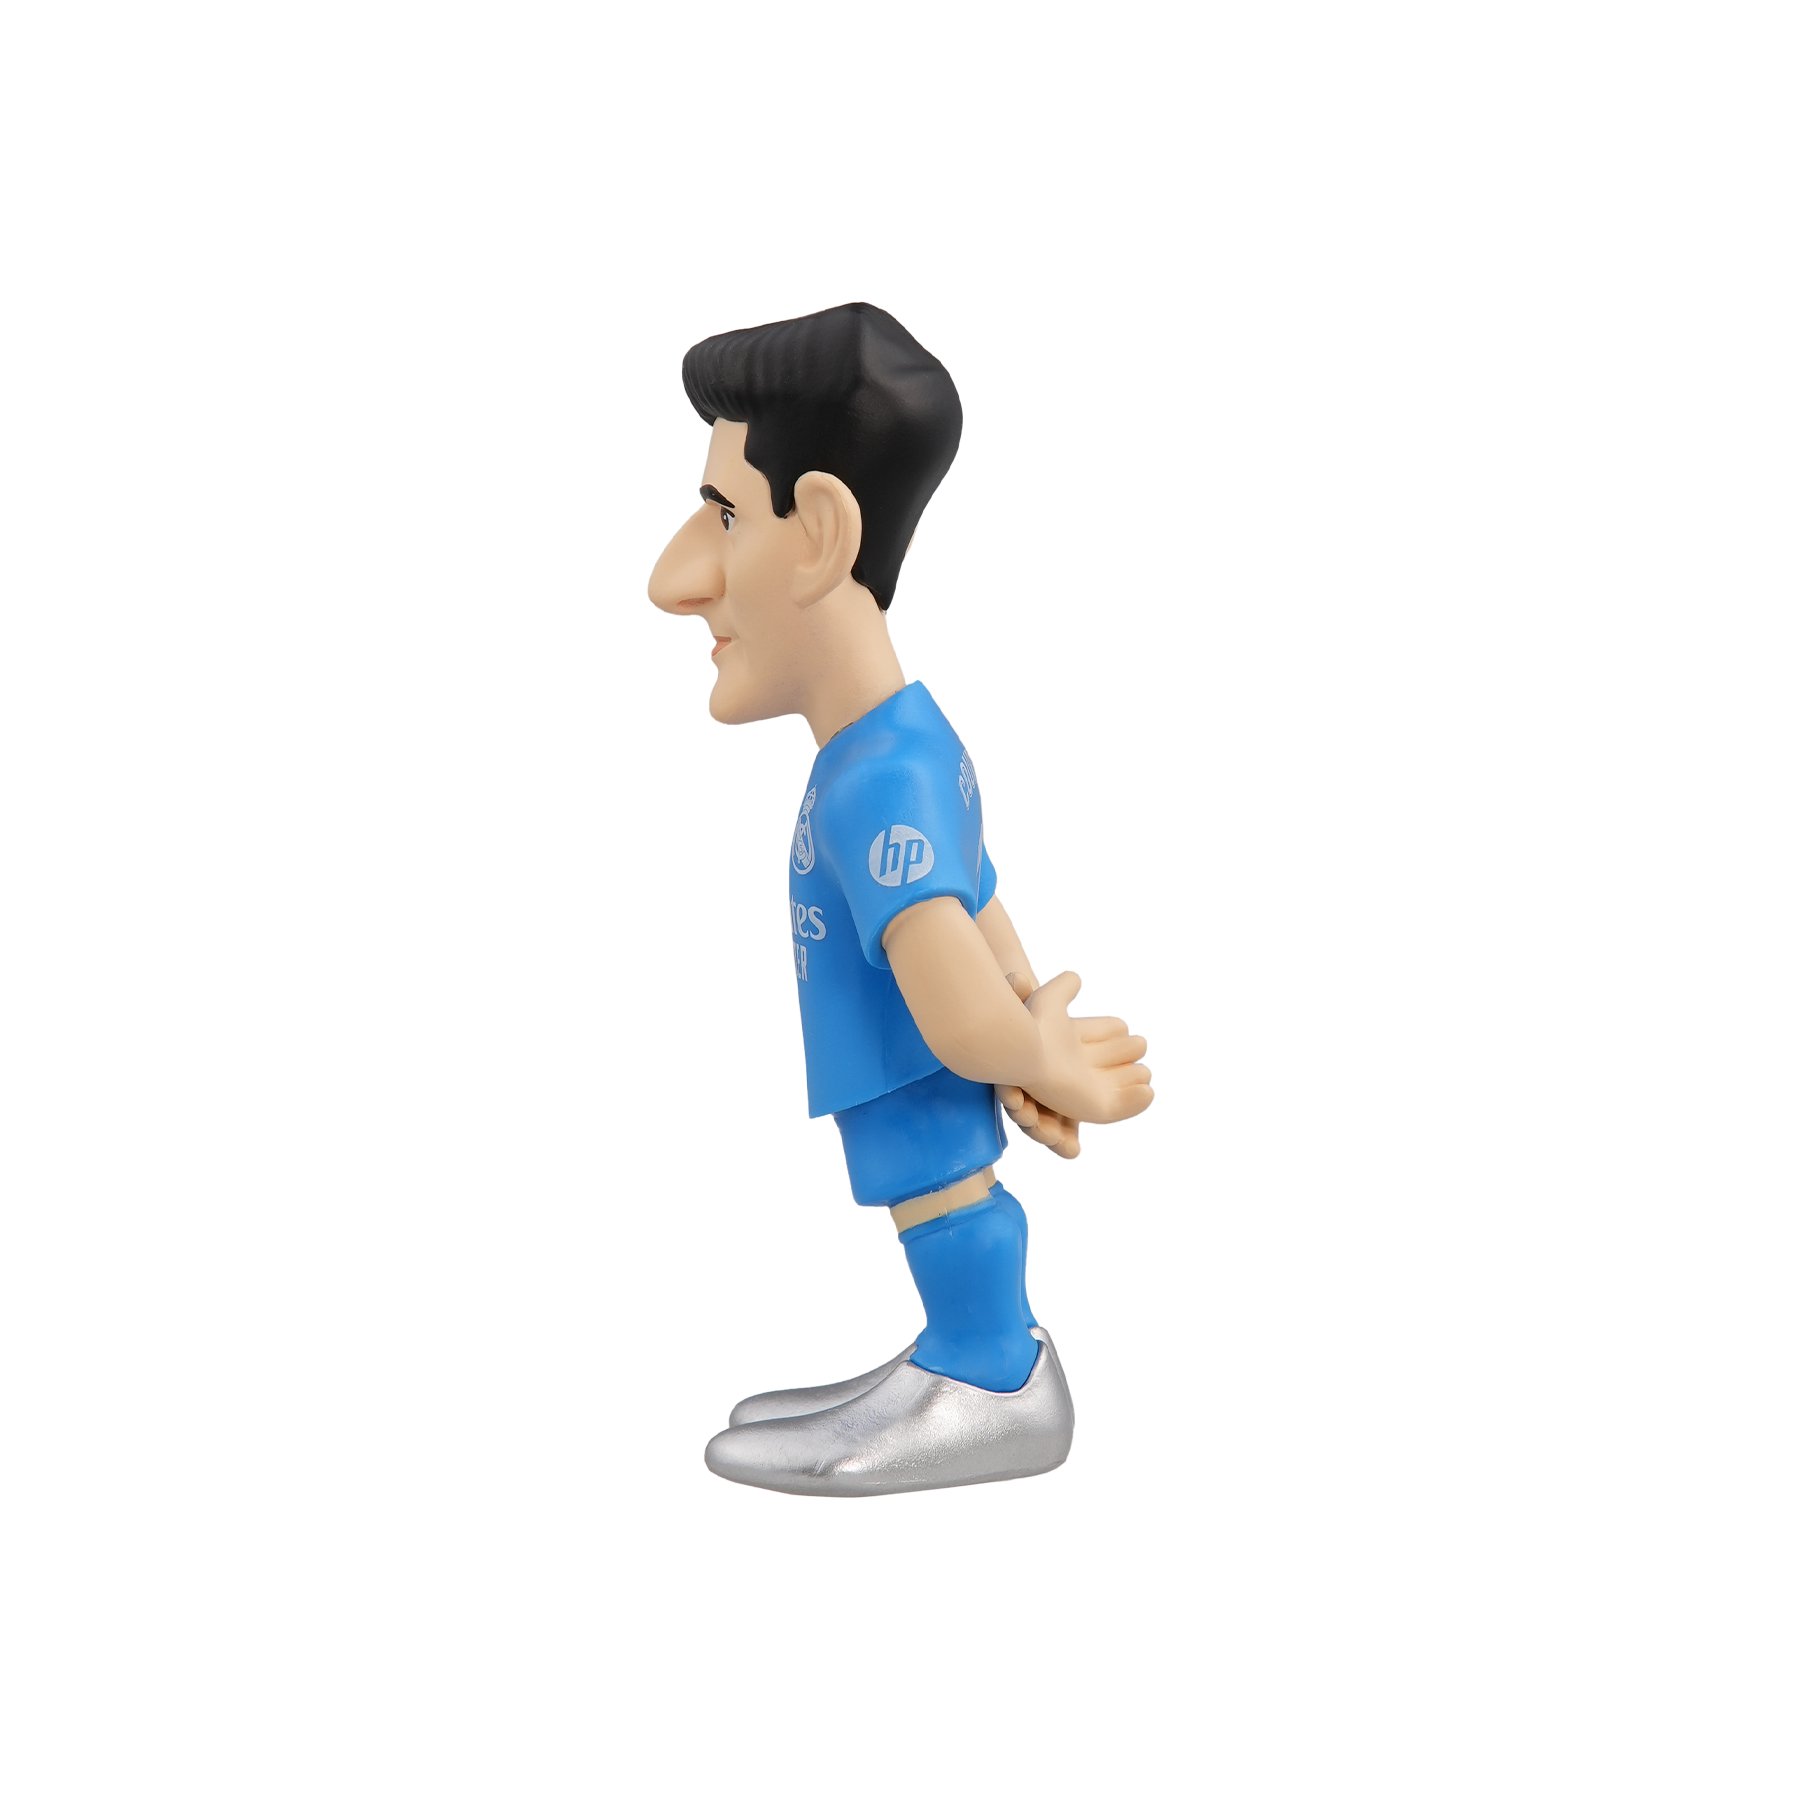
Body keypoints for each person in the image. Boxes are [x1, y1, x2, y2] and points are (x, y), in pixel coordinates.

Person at [647, 302, 1153, 1495]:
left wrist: (1032, 1051)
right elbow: (977, 900)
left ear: (821, 533)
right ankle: (959, 1359)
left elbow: (957, 997)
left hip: (908, 1074)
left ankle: (992, 1375)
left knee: (943, 1200)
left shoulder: (879, 780)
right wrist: (1028, 1019)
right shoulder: (903, 745)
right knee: (933, 1202)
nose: (676, 577)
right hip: (901, 1067)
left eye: (727, 515)